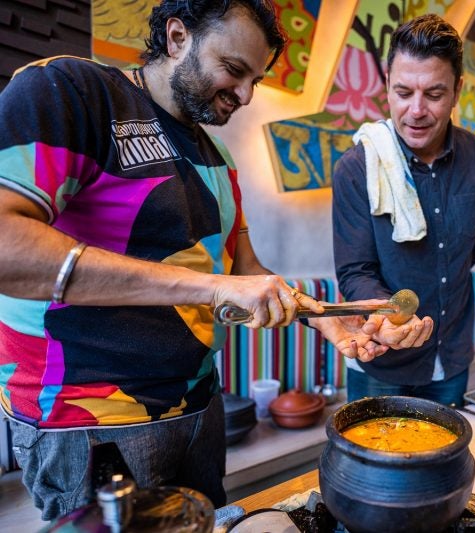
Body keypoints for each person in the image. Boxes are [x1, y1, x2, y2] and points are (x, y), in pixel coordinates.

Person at [0, 0, 432, 521]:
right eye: (233, 69)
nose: (246, 95)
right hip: (88, 420)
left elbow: (244, 271)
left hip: (201, 406)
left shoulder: (216, 157)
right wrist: (213, 288)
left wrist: (327, 321)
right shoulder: (72, 91)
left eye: (256, 80)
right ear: (177, 37)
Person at [332, 14, 475, 407]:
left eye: (434, 94)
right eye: (404, 92)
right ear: (387, 84)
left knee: (448, 449)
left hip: (452, 358)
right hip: (381, 361)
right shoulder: (356, 168)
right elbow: (356, 271)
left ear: (457, 91)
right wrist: (393, 318)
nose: (416, 110)